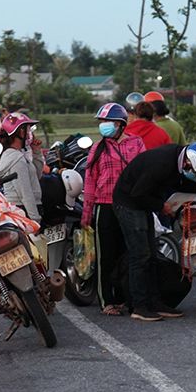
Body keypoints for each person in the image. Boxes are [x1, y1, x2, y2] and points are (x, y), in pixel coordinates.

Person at [112, 141, 196, 321]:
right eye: (195, 173)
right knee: (140, 255)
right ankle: (139, 306)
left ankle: (154, 302)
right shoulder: (161, 164)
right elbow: (138, 193)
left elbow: (178, 182)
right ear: (188, 162)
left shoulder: (178, 160)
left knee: (152, 255)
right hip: (128, 204)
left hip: (142, 204)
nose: (194, 176)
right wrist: (161, 206)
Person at [80, 103, 146, 316]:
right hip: (104, 207)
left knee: (128, 253)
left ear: (120, 124)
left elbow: (144, 172)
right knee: (105, 256)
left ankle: (125, 297)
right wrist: (87, 212)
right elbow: (90, 181)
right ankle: (106, 301)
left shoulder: (136, 144)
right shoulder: (97, 148)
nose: (103, 126)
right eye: (101, 122)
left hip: (129, 206)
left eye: (106, 122)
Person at [0, 112, 43, 223]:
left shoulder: (18, 155)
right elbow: (25, 192)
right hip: (23, 210)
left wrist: (36, 152)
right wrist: (35, 219)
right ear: (21, 132)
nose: (30, 133)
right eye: (28, 129)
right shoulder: (16, 159)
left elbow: (36, 176)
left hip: (23, 208)